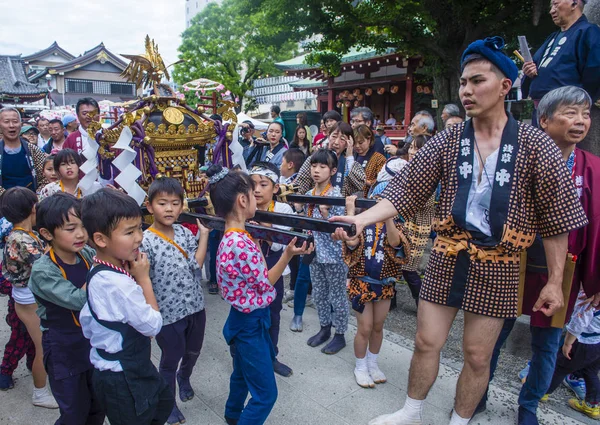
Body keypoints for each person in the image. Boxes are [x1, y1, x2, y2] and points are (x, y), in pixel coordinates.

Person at [330, 36, 588, 425]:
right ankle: (411, 411)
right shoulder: (449, 139)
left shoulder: (536, 143)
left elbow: (555, 220)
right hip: (449, 253)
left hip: (500, 261)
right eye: (463, 81)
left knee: (478, 355)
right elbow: (406, 189)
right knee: (425, 341)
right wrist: (360, 219)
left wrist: (554, 282)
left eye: (477, 81)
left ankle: (460, 421)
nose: (466, 90)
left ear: (505, 86)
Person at [478, 85, 600, 425]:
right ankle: (479, 393)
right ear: (543, 120)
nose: (580, 121)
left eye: (585, 114)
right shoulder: (516, 160)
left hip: (561, 273)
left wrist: (595, 280)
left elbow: (599, 227)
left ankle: (529, 405)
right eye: (570, 113)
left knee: (546, 346)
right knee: (492, 337)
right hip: (511, 264)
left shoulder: (593, 168)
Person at [205, 164, 311, 425]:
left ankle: (232, 414)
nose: (256, 197)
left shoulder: (231, 237)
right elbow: (266, 284)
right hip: (250, 323)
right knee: (265, 395)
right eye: (253, 193)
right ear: (243, 200)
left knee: (241, 375)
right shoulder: (242, 242)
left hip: (242, 318)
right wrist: (287, 255)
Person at [79, 189, 174, 425]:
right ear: (101, 239)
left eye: (140, 228)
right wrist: (144, 279)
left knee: (162, 402)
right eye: (129, 232)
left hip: (116, 367)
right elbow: (153, 325)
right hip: (122, 378)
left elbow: (87, 324)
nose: (139, 237)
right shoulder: (119, 283)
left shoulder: (100, 270)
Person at [29, 193, 105, 424]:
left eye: (83, 226)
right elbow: (79, 299)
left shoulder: (87, 254)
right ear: (47, 233)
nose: (81, 234)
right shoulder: (44, 270)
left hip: (92, 341)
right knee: (74, 411)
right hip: (64, 348)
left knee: (97, 405)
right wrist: (100, 271)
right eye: (71, 228)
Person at [142, 177, 209, 425]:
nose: (169, 209)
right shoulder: (144, 241)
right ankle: (168, 404)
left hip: (194, 307)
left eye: (175, 203)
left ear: (182, 206)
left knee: (193, 351)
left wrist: (203, 236)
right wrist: (150, 315)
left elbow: (196, 264)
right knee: (170, 359)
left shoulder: (183, 232)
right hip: (167, 314)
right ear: (150, 207)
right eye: (162, 203)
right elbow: (143, 281)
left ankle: (185, 377)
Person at [343, 166, 411, 388]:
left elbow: (396, 244)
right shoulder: (363, 218)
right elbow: (351, 242)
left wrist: (389, 216)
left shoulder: (399, 221)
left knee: (378, 326)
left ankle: (372, 363)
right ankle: (360, 366)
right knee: (365, 327)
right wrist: (351, 212)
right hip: (361, 281)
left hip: (385, 283)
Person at [0, 187, 58, 408]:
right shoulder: (22, 239)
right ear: (33, 208)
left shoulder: (25, 234)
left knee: (39, 345)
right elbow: (46, 264)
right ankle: (40, 393)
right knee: (42, 346)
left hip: (28, 297)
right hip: (29, 299)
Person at [296, 149, 349, 355]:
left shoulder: (336, 197)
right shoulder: (309, 194)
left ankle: (340, 334)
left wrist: (328, 213)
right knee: (319, 293)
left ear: (333, 170)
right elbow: (304, 222)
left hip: (334, 255)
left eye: (322, 166)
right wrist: (299, 209)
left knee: (337, 295)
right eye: (314, 165)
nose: (316, 170)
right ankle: (324, 328)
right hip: (313, 251)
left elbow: (344, 228)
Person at [521, 0, 600, 126]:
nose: (552, 10)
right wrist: (529, 71)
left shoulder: (589, 32)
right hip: (541, 110)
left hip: (567, 111)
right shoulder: (552, 37)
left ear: (574, 3)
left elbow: (594, 71)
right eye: (551, 6)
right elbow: (536, 66)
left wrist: (583, 102)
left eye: (556, 4)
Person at [249, 162, 295, 377]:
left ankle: (271, 356)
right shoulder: (244, 208)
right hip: (249, 273)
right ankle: (247, 356)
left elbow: (278, 245)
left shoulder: (283, 209)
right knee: (251, 317)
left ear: (275, 188)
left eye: (263, 184)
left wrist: (263, 223)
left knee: (273, 315)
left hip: (275, 268)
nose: (257, 189)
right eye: (252, 185)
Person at [541, 290, 600, 420]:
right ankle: (592, 405)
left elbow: (578, 323)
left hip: (582, 342)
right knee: (590, 372)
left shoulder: (590, 297)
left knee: (560, 367)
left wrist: (567, 343)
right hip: (597, 343)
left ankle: (542, 392)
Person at [400, 135, 435, 307]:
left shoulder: (428, 172)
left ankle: (422, 303)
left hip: (418, 225)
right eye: (412, 147)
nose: (413, 151)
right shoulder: (409, 168)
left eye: (418, 148)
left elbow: (422, 201)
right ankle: (390, 301)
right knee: (398, 262)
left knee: (409, 267)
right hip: (405, 223)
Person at [0, 218, 35, 391]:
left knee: (35, 338)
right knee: (19, 338)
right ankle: (5, 371)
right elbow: (4, 280)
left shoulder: (29, 236)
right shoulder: (18, 240)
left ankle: (34, 363)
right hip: (21, 301)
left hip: (30, 300)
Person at [295, 121, 366, 196]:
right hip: (315, 203)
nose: (336, 142)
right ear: (328, 137)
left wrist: (350, 157)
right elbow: (300, 184)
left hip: (340, 206)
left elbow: (360, 185)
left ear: (348, 143)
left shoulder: (348, 164)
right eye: (334, 136)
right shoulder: (314, 159)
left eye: (342, 139)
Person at [63, 98, 113, 185]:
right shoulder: (71, 139)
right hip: (80, 187)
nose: (89, 116)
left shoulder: (109, 136)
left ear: (99, 115)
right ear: (78, 116)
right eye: (84, 113)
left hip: (107, 187)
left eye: (93, 113)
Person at [38, 149, 102, 201]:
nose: (68, 167)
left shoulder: (93, 187)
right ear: (57, 169)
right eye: (63, 164)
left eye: (72, 162)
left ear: (79, 165)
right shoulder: (49, 189)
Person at [353, 124, 387, 196]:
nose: (357, 146)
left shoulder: (379, 159)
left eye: (360, 142)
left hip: (367, 198)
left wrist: (366, 181)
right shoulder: (350, 156)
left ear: (369, 139)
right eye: (354, 143)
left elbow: (382, 182)